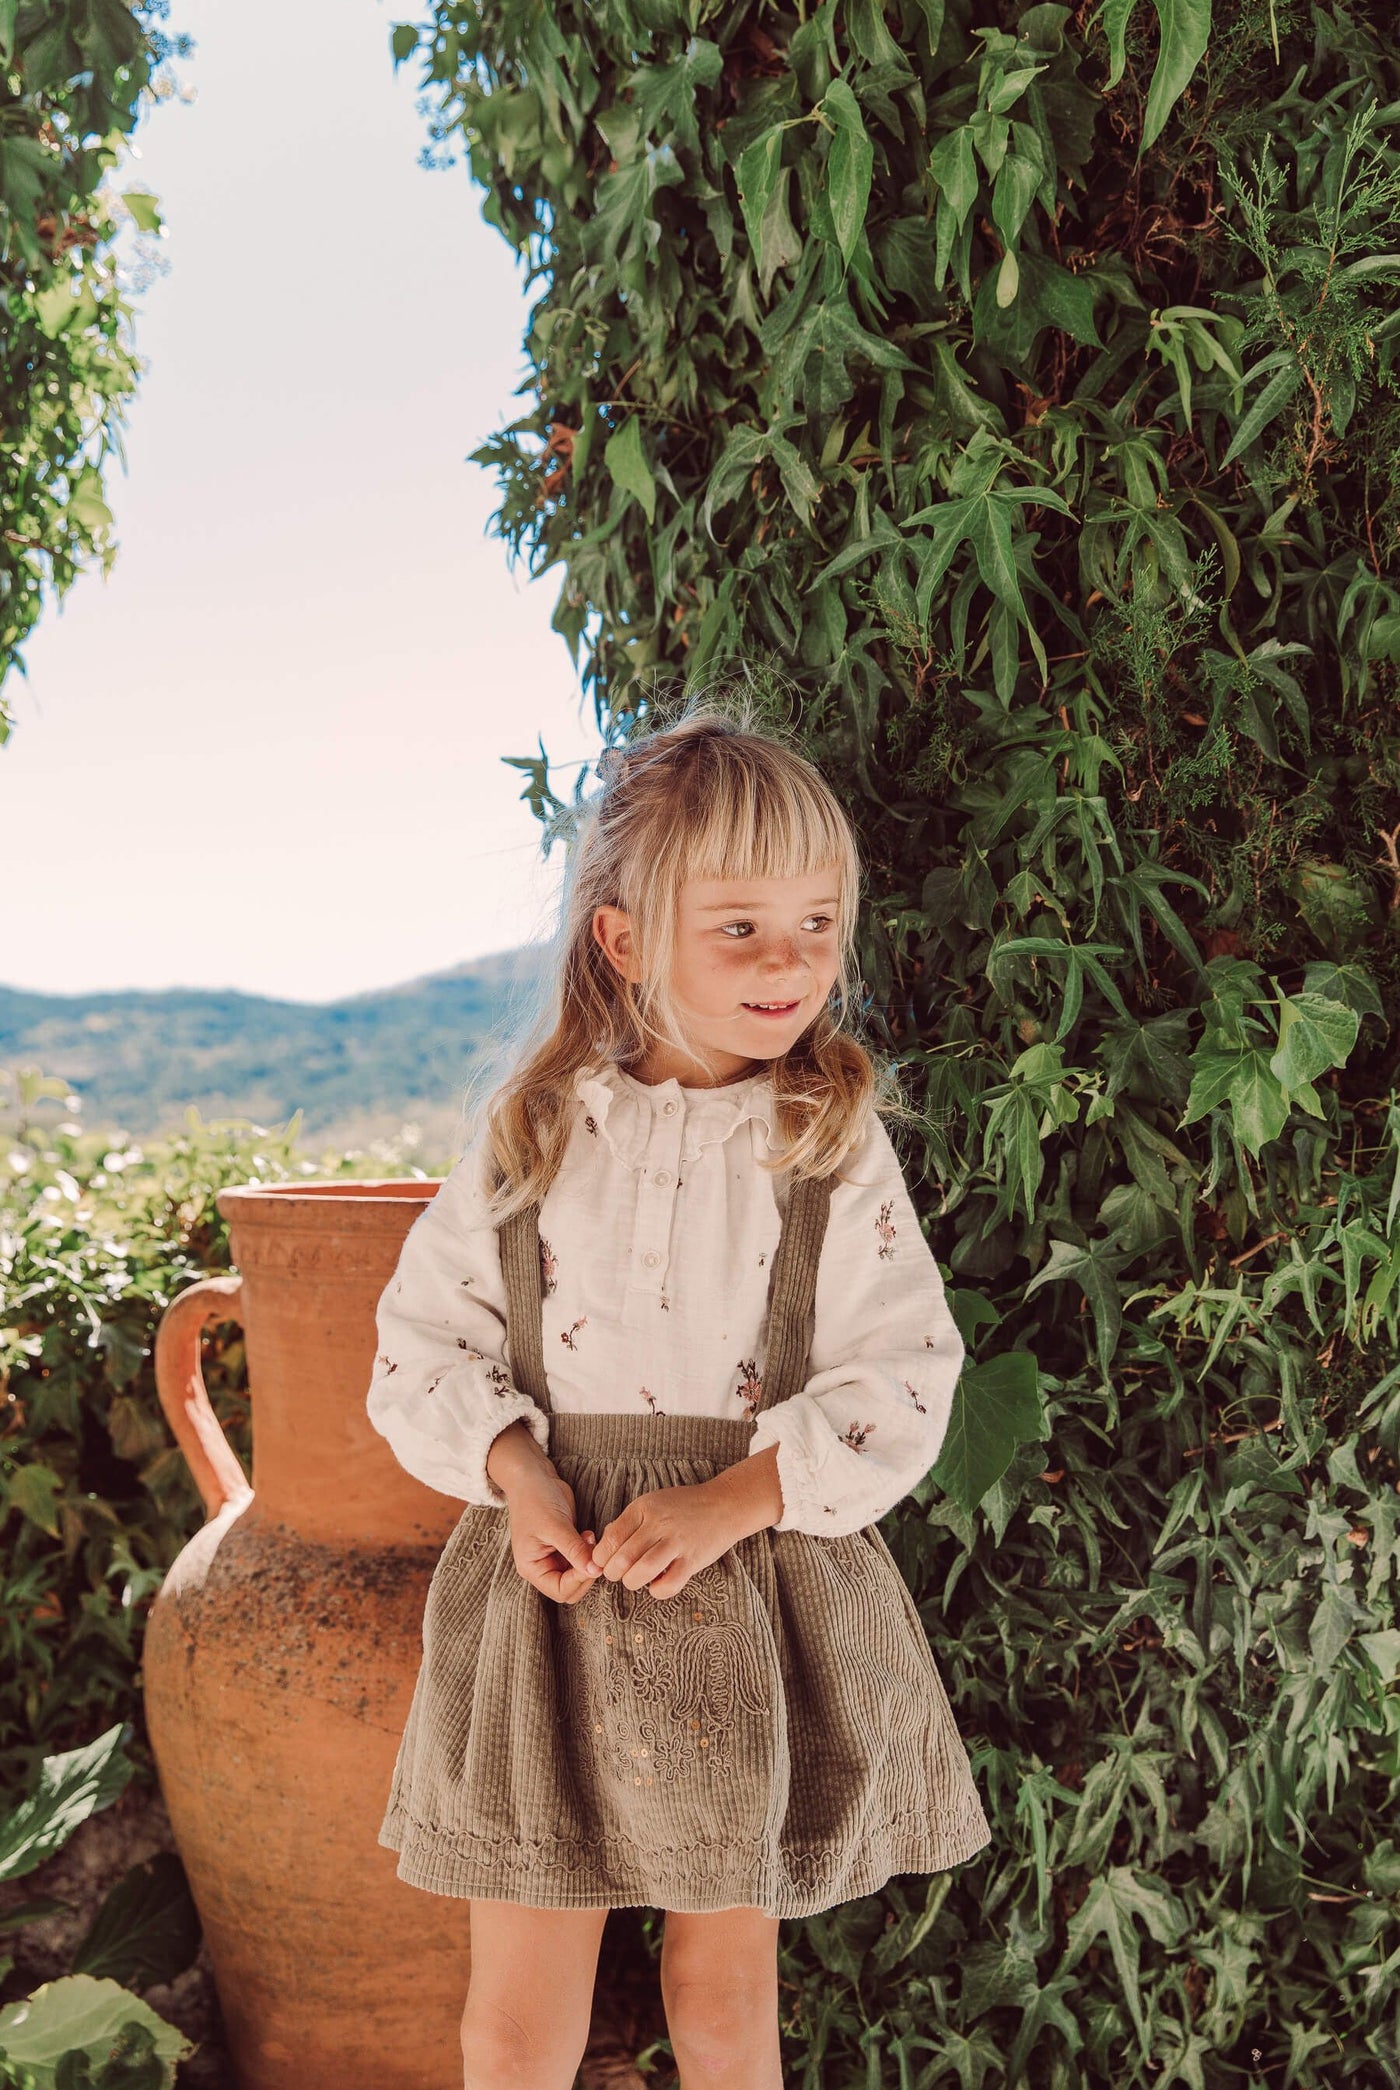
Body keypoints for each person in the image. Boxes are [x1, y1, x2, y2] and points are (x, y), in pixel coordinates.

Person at [365, 697, 993, 2090]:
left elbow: (904, 1373)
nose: (790, 962)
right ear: (627, 937)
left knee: (720, 2002)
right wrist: (520, 1472)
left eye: (817, 923)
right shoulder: (534, 1132)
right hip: (553, 1606)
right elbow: (417, 1347)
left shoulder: (825, 1142)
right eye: (740, 926)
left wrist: (735, 1496)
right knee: (514, 2020)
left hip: (745, 1605)